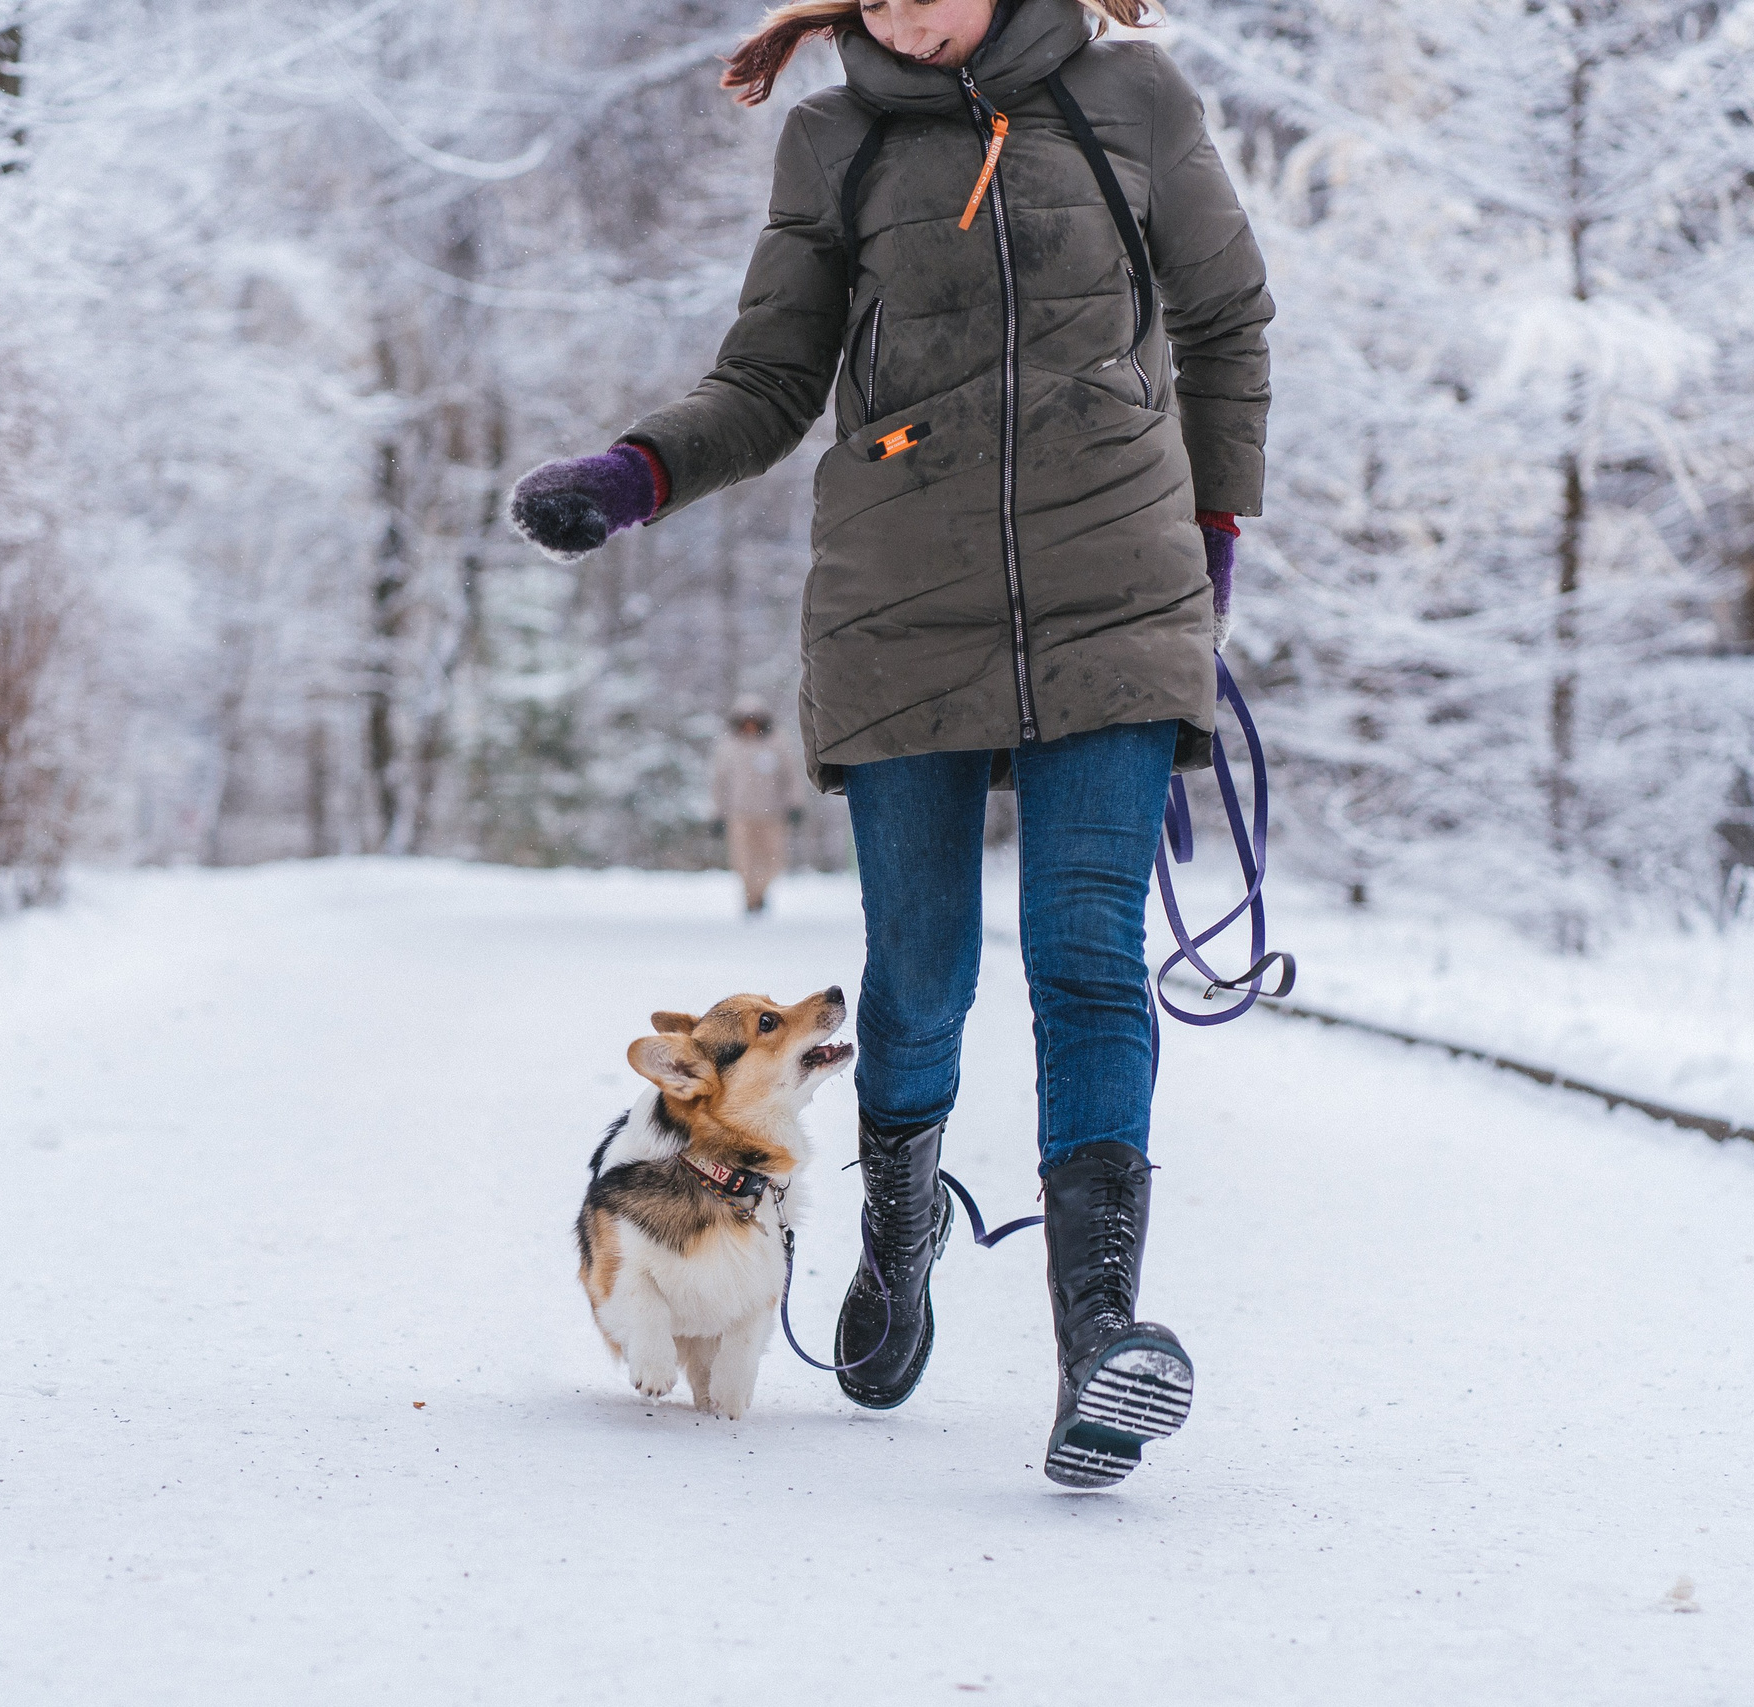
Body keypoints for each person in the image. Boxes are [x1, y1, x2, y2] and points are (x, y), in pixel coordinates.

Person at [508, 0, 1268, 1488]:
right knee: (916, 977)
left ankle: (1098, 1336)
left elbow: (1227, 317)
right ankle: (900, 1231)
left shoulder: (1134, 96)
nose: (910, 16)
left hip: (1119, 586)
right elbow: (774, 376)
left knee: (1088, 953)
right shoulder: (836, 140)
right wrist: (635, 471)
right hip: (898, 606)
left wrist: (1216, 531)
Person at [710, 693, 804, 915]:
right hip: (739, 815)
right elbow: (719, 783)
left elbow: (790, 777)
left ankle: (760, 892)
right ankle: (751, 898)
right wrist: (716, 813)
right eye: (745, 720)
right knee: (743, 861)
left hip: (773, 814)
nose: (750, 725)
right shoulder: (728, 747)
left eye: (754, 719)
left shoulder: (777, 744)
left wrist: (795, 804)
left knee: (774, 860)